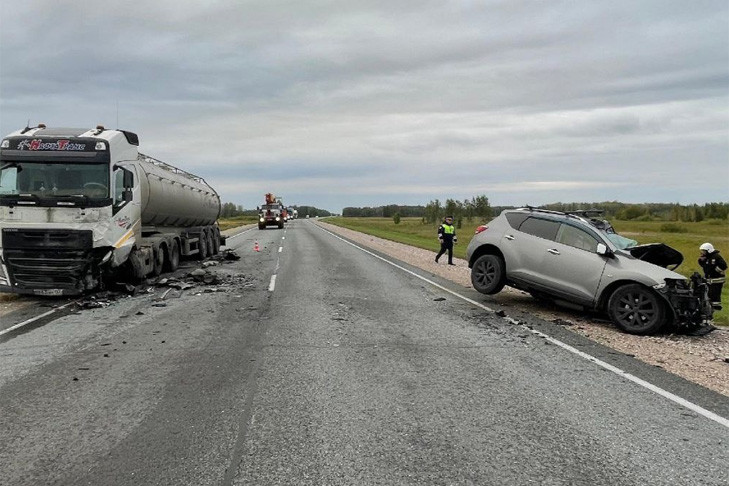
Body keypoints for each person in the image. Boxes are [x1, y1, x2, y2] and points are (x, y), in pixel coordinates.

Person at [698, 242, 726, 310]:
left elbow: (723, 265)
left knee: (714, 294)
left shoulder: (716, 256)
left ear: (708, 250)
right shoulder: (707, 257)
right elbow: (705, 266)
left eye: (704, 251)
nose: (702, 252)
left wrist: (716, 271)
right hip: (710, 280)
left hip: (717, 280)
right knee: (709, 293)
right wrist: (701, 260)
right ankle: (710, 307)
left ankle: (715, 307)